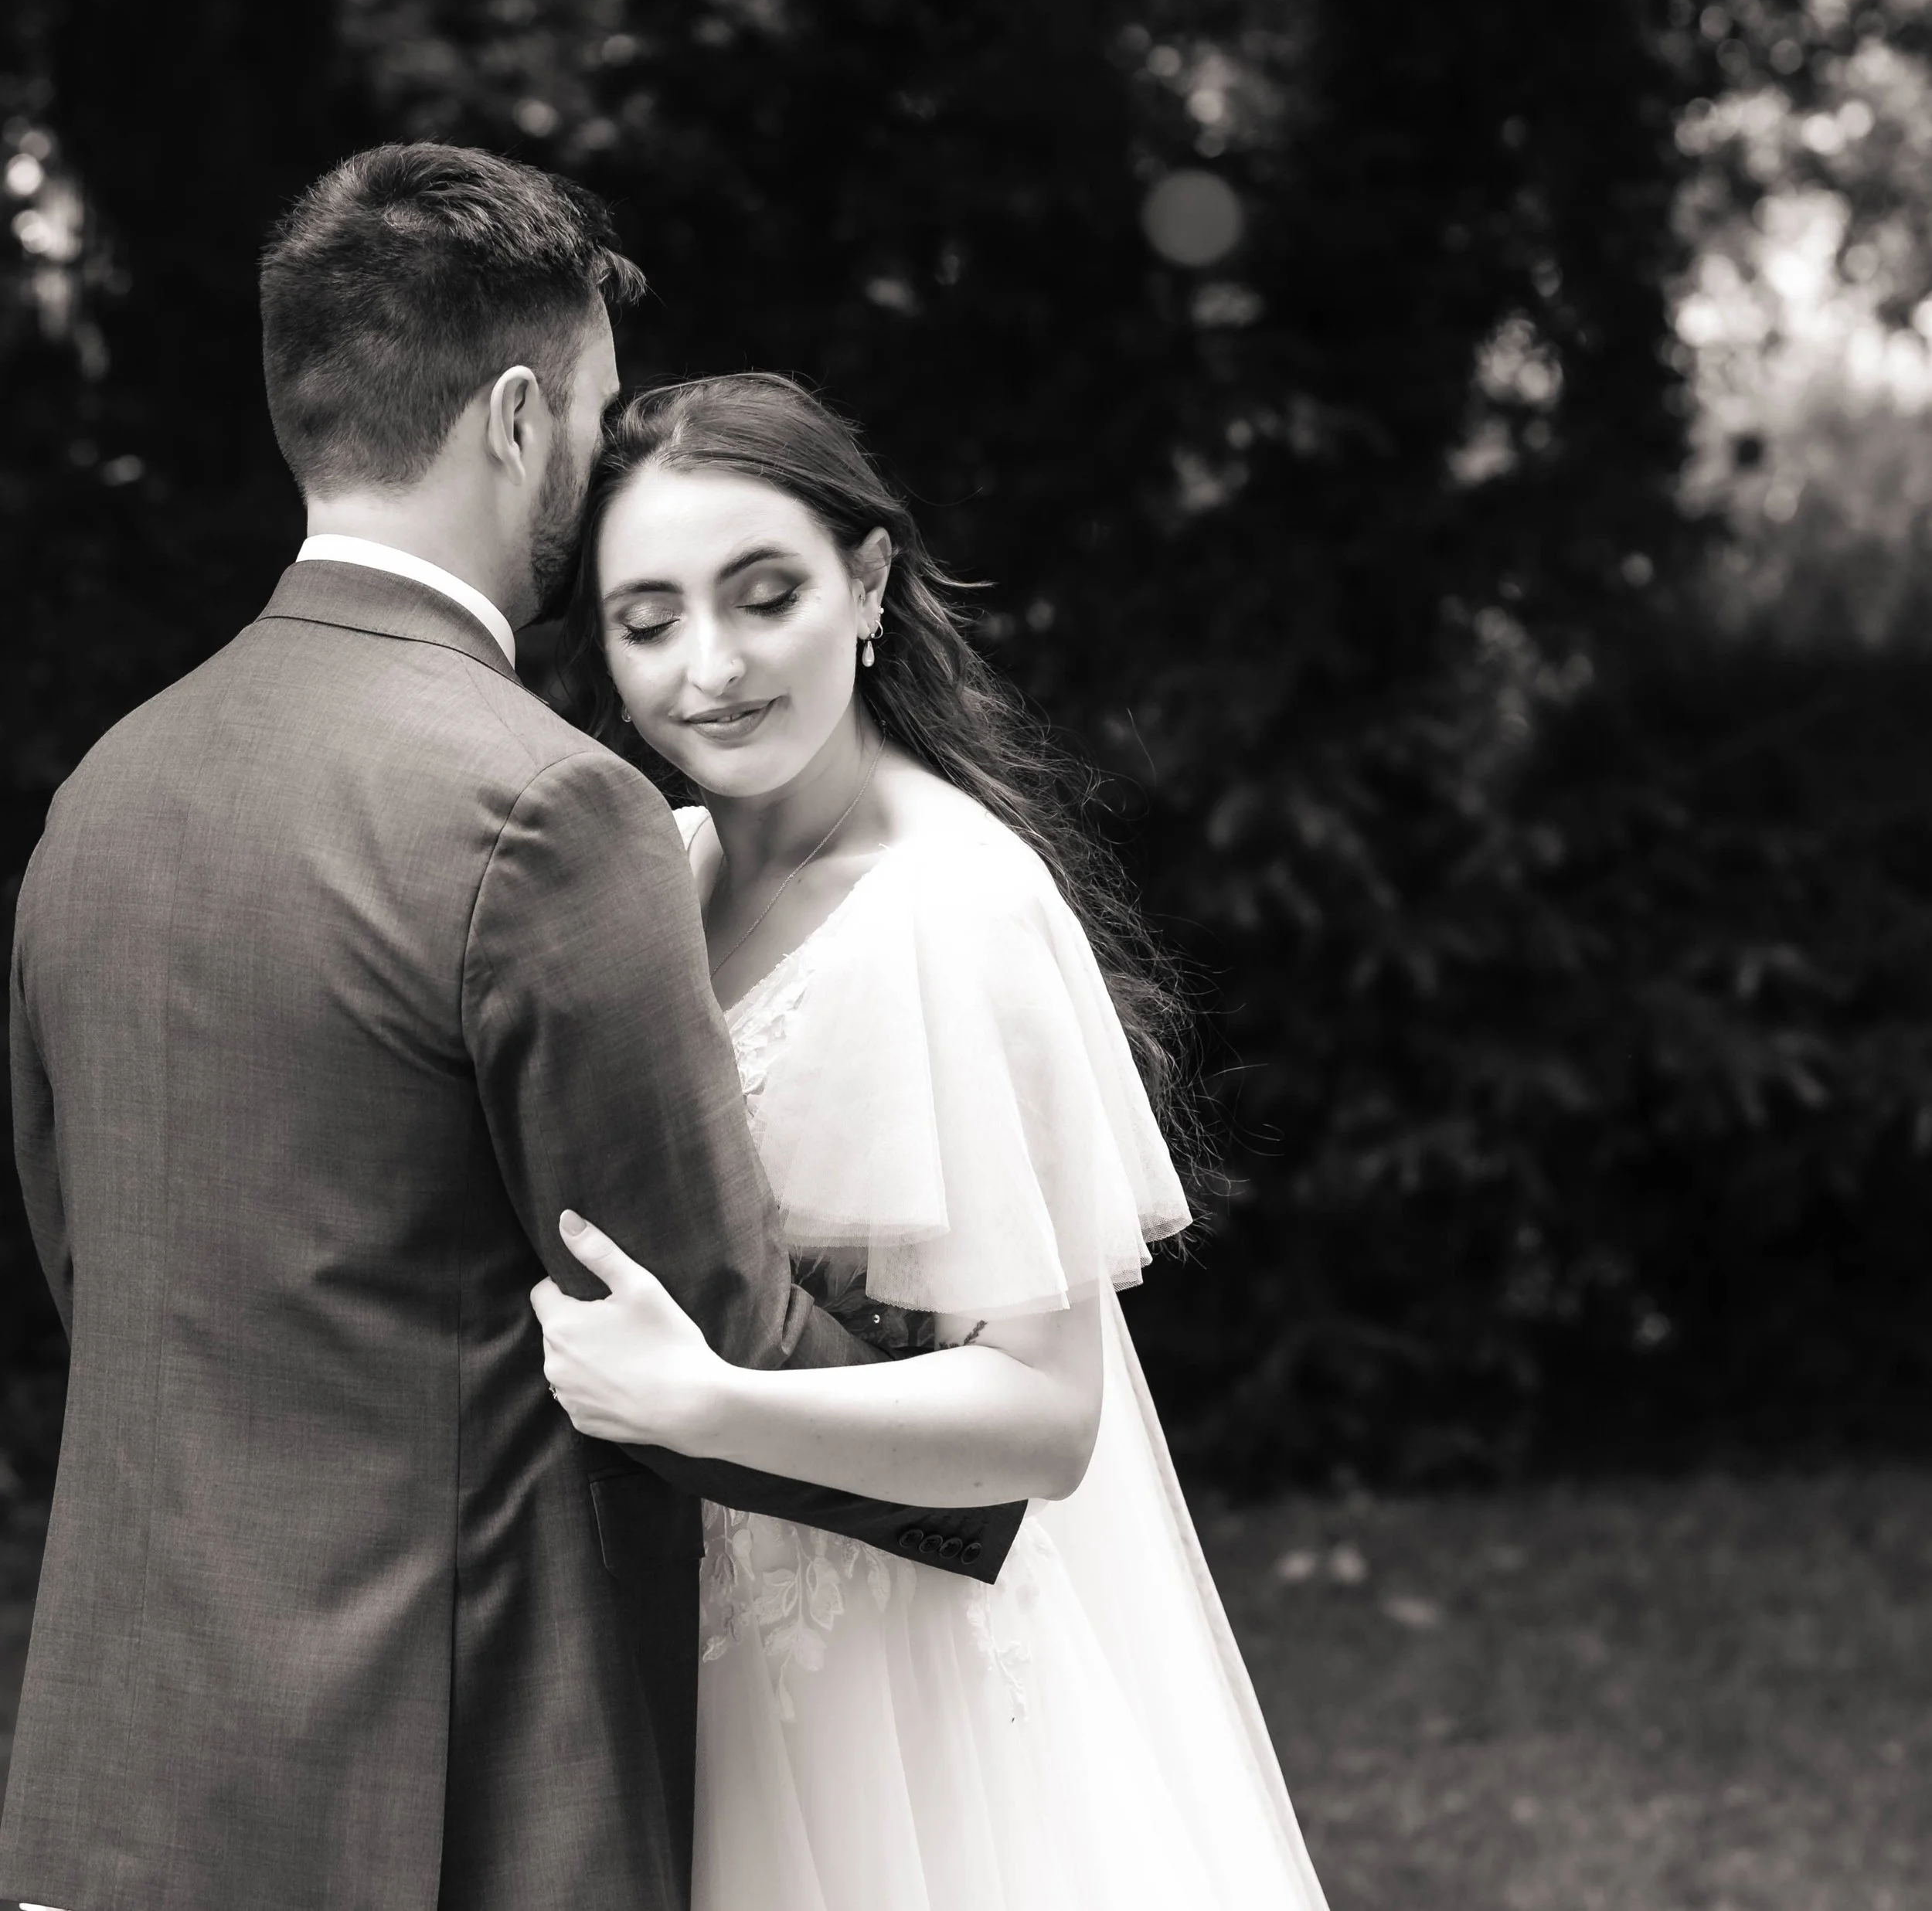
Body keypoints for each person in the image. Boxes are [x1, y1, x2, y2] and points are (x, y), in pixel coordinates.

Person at [2, 145, 1003, 1911]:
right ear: (518, 413)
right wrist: (989, 1465)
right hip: (459, 1784)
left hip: (121, 1777)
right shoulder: (541, 808)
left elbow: (101, 1268)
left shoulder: (104, 791)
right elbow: (702, 1339)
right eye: (601, 414)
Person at [534, 371, 1333, 1911]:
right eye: (647, 621)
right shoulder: (675, 868)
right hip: (714, 1641)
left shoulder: (947, 906)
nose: (710, 666)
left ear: (868, 584)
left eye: (762, 596)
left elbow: (1041, 1416)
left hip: (901, 1674)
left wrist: (696, 1401)